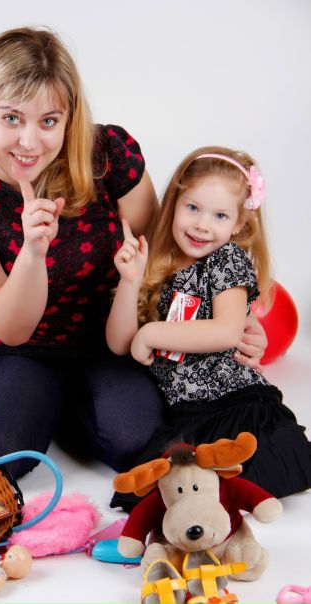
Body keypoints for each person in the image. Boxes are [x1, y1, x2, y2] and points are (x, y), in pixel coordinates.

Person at [0, 27, 266, 480]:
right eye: (11, 118)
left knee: (138, 441)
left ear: (70, 117)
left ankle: (62, 412)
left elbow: (165, 256)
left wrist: (233, 314)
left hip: (111, 341)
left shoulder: (109, 155)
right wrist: (32, 252)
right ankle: (29, 404)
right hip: (19, 349)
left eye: (49, 121)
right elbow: (12, 327)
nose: (30, 142)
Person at [107, 146, 311, 505]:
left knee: (251, 472)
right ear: (174, 204)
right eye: (192, 208)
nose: (202, 224)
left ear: (239, 224)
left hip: (235, 402)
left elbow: (226, 332)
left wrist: (151, 332)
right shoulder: (159, 266)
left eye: (219, 215)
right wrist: (130, 281)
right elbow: (120, 344)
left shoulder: (225, 260)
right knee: (158, 492)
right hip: (187, 413)